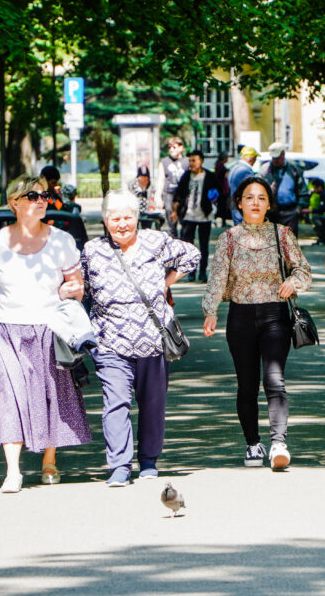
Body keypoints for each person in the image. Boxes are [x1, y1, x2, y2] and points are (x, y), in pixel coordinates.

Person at [0, 175, 91, 493]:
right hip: (5, 328)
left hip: (49, 327)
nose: (41, 200)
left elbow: (77, 287)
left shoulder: (61, 240)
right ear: (15, 202)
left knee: (49, 394)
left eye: (45, 195)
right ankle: (13, 471)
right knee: (9, 396)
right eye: (33, 195)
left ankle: (49, 460)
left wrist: (73, 288)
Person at [82, 190, 200, 487]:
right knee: (115, 403)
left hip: (152, 339)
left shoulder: (155, 241)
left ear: (137, 217)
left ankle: (148, 460)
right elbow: (80, 287)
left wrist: (165, 281)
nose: (122, 224)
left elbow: (192, 256)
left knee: (152, 403)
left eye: (128, 217)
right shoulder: (92, 250)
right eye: (115, 218)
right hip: (110, 340)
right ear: (105, 220)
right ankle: (119, 465)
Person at [202, 176, 312, 470]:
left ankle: (279, 443)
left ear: (268, 204)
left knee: (274, 379)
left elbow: (303, 270)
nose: (255, 203)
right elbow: (217, 278)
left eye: (261, 198)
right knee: (246, 385)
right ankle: (253, 444)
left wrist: (292, 282)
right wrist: (210, 310)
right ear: (239, 203)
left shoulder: (281, 234)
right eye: (249, 197)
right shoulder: (228, 238)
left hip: (275, 315)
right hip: (240, 317)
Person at [173, 149, 220, 283]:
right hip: (188, 215)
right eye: (190, 161)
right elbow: (179, 194)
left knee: (204, 245)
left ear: (201, 161)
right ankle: (191, 271)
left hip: (204, 215)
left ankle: (203, 272)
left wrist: (214, 198)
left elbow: (218, 193)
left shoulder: (209, 176)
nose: (191, 164)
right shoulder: (187, 176)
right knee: (188, 245)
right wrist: (175, 211)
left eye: (194, 160)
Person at [260, 142, 309, 237]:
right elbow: (256, 189)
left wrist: (299, 208)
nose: (275, 160)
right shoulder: (265, 170)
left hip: (290, 212)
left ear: (283, 155)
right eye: (273, 158)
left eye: (278, 157)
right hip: (271, 213)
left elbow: (303, 190)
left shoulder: (293, 169)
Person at [155, 137, 189, 237]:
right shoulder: (165, 162)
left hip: (183, 195)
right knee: (171, 222)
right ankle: (173, 242)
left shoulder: (187, 161)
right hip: (169, 194)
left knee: (185, 222)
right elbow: (161, 179)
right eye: (169, 147)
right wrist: (158, 196)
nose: (171, 150)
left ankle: (184, 243)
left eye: (174, 147)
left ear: (181, 148)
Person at [228, 146, 258, 226]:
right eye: (255, 158)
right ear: (251, 158)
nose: (256, 160)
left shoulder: (235, 168)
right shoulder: (245, 171)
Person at [128, 165, 163, 229]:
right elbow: (129, 198)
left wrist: (152, 207)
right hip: (135, 209)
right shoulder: (132, 184)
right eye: (142, 178)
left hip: (147, 209)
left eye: (146, 178)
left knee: (147, 227)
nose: (144, 180)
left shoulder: (151, 184)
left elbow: (152, 197)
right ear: (138, 177)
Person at [214, 152, 231, 224]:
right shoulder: (220, 165)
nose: (227, 159)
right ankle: (221, 220)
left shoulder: (219, 164)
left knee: (222, 205)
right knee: (222, 205)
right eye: (227, 157)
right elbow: (220, 177)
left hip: (222, 188)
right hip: (222, 188)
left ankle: (221, 219)